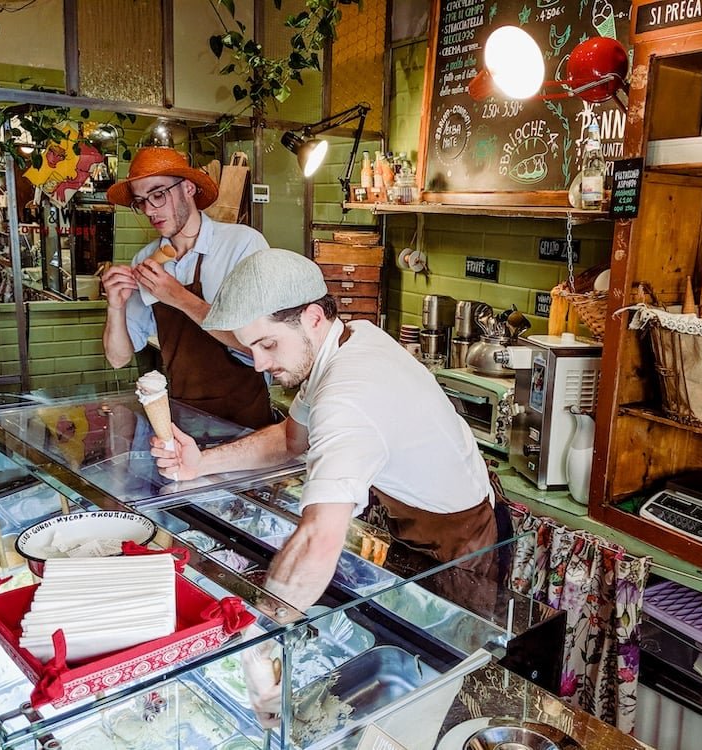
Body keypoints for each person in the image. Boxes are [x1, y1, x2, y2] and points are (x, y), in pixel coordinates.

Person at [150, 248, 511, 724]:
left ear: (313, 317)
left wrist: (262, 632)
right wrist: (202, 463)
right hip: (414, 531)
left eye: (268, 345)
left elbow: (321, 535)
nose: (257, 364)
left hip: (463, 547)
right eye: (250, 347)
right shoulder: (345, 339)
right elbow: (291, 439)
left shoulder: (350, 393)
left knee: (442, 703)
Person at [101, 147, 275, 429]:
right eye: (141, 202)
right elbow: (118, 357)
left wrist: (179, 297)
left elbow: (262, 347)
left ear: (188, 188)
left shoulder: (243, 245)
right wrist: (115, 306)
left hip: (246, 422)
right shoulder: (144, 261)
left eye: (158, 195)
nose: (150, 210)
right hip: (183, 421)